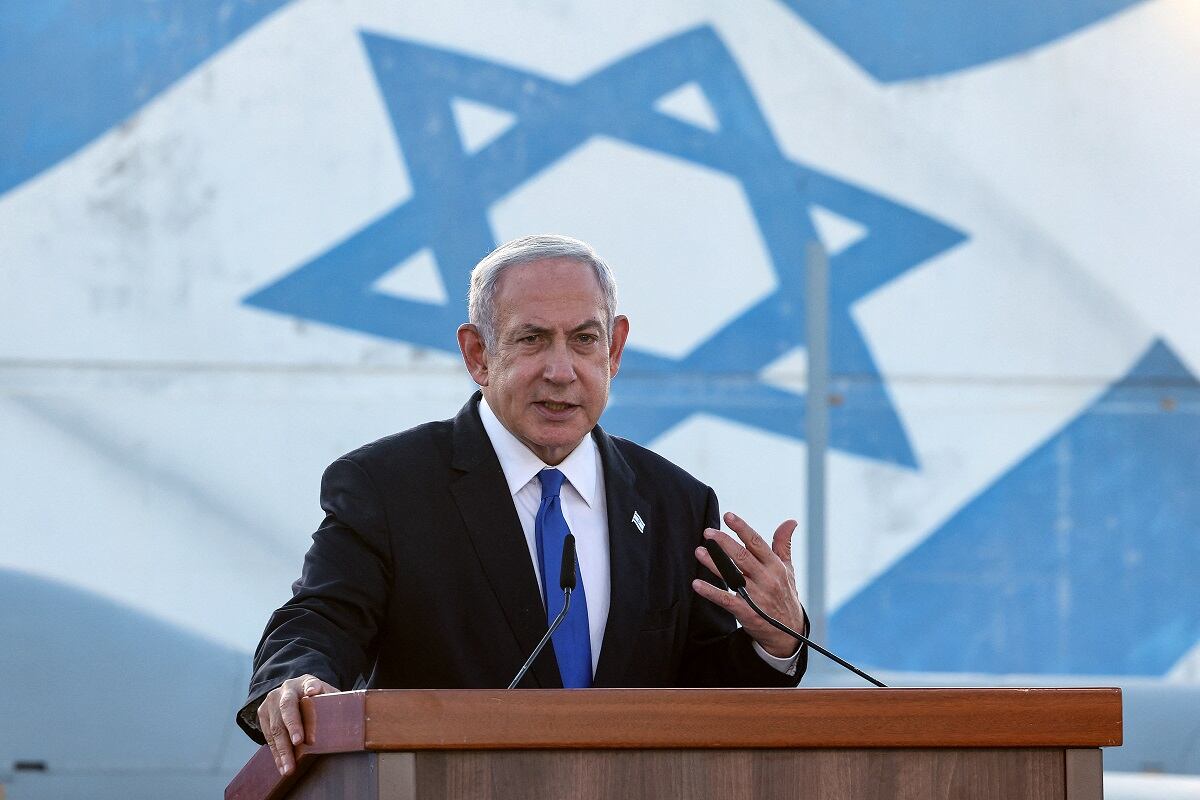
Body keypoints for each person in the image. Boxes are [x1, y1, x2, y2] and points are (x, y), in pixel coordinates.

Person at [239, 235, 808, 776]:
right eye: (532, 339)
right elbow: (320, 618)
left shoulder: (674, 502)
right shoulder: (387, 487)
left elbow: (701, 691)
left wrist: (776, 642)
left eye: (585, 340)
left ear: (614, 349)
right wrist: (301, 678)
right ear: (478, 354)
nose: (560, 371)